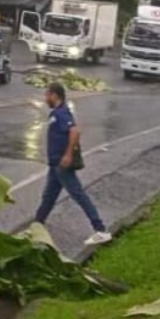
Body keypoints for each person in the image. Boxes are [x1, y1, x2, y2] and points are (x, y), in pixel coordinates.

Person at [34, 83, 112, 246]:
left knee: (78, 195)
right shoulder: (59, 112)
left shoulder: (61, 113)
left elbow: (75, 131)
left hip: (62, 164)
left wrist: (68, 154)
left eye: (47, 95)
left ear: (55, 95)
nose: (45, 98)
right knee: (48, 196)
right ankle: (37, 225)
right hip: (55, 164)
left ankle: (101, 230)